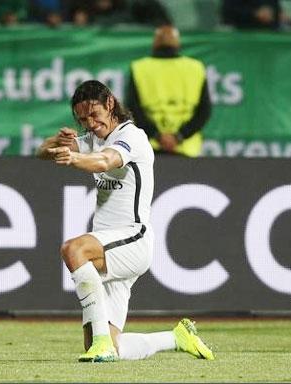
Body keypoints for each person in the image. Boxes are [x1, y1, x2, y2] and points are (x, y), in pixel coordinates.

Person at [36, 79, 215, 362]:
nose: (91, 123)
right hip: (109, 248)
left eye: (94, 115)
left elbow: (104, 162)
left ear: (110, 103)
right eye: (83, 119)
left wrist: (72, 157)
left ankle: (103, 344)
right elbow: (42, 153)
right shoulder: (95, 138)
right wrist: (57, 143)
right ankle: (177, 338)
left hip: (132, 239)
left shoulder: (131, 136)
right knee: (101, 344)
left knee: (73, 249)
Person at [127, 25, 210, 157]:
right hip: (187, 148)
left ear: (155, 43)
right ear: (177, 44)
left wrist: (157, 135)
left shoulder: (139, 68)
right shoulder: (196, 68)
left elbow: (133, 108)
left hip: (150, 147)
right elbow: (204, 110)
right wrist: (179, 136)